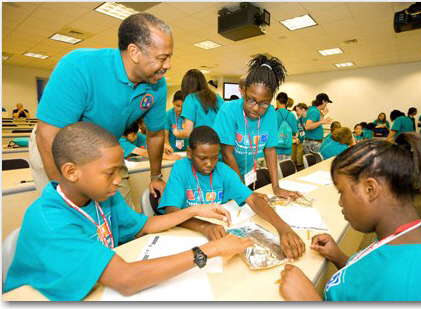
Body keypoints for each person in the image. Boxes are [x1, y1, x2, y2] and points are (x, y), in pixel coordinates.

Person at [4, 122, 253, 301]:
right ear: (71, 172)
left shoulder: (102, 196)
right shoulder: (50, 220)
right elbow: (126, 280)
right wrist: (210, 251)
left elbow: (145, 225)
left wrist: (195, 210)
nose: (117, 181)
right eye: (109, 172)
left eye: (119, 171)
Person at [279, 133, 421, 301]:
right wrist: (340, 257)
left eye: (342, 192)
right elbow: (371, 281)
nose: (340, 202)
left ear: (370, 189)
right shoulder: (406, 237)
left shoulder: (408, 288)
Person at [30, 13, 174, 207]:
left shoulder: (157, 85)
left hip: (107, 146)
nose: (168, 66)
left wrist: (155, 176)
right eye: (162, 58)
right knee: (70, 214)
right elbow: (48, 134)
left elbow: (155, 135)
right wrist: (66, 198)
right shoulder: (80, 66)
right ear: (134, 52)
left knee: (121, 216)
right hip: (56, 144)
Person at [158, 126, 305, 260]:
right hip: (186, 234)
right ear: (189, 153)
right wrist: (205, 227)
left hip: (217, 237)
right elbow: (172, 211)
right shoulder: (180, 168)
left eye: (214, 157)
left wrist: (283, 228)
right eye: (202, 158)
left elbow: (253, 200)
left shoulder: (223, 171)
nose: (209, 164)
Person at [213, 54, 301, 199]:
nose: (255, 108)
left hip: (243, 178)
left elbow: (270, 149)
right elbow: (228, 154)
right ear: (244, 91)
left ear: (271, 99)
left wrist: (276, 187)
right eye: (250, 100)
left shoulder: (271, 113)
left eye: (263, 103)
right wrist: (245, 193)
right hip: (220, 177)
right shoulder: (228, 110)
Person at [173, 69, 225, 139]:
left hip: (201, 144)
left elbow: (188, 132)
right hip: (218, 144)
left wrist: (176, 133)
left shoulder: (190, 98)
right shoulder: (217, 97)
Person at [276, 92, 298, 162]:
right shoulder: (291, 115)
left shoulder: (273, 114)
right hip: (287, 148)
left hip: (275, 149)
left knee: (276, 170)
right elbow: (295, 132)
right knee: (286, 169)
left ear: (277, 101)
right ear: (287, 103)